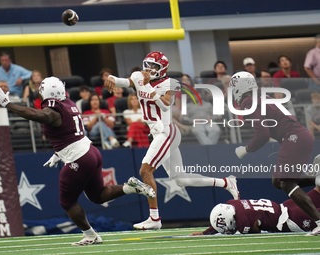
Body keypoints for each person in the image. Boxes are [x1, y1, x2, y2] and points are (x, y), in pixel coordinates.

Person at [0, 77, 155, 245]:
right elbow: (67, 130)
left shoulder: (53, 110)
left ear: (47, 92)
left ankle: (91, 236)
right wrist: (59, 153)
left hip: (79, 157)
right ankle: (129, 187)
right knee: (97, 196)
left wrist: (8, 104)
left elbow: (35, 114)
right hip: (90, 151)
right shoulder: (68, 103)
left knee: (67, 201)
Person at [105, 51, 240, 230]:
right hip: (157, 133)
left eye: (155, 66)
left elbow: (165, 103)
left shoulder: (170, 83)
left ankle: (154, 218)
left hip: (166, 131)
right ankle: (225, 182)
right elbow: (123, 81)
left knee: (145, 170)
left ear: (163, 69)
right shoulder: (138, 75)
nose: (150, 69)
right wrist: (111, 78)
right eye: (148, 65)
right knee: (181, 179)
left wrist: (148, 88)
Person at [232, 71, 320, 236]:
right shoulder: (261, 97)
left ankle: (319, 221)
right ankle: (317, 179)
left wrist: (245, 150)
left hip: (293, 137)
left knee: (286, 183)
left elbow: (262, 135)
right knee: (277, 181)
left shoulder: (248, 101)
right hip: (299, 135)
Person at [191, 187, 320, 235]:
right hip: (287, 206)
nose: (228, 230)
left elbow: (256, 231)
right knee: (318, 190)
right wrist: (205, 233)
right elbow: (224, 217)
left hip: (291, 221)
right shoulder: (232, 203)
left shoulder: (243, 222)